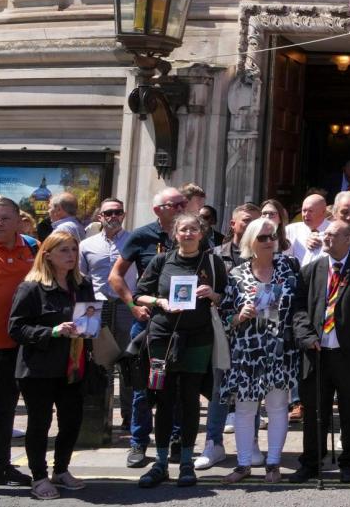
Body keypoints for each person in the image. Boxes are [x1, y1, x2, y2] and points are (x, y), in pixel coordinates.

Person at [132, 213, 227, 489]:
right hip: (163, 338)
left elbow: (226, 298)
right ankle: (160, 463)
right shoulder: (161, 261)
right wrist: (160, 301)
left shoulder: (213, 262)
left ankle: (186, 462)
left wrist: (212, 294)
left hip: (198, 339)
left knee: (189, 399)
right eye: (183, 229)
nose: (188, 233)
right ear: (175, 234)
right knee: (163, 399)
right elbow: (139, 293)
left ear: (201, 233)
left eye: (193, 229)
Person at [289, 222, 350, 484]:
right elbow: (298, 308)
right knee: (314, 411)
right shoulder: (311, 270)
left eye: (332, 235)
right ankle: (311, 461)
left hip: (349, 355)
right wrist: (306, 337)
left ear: (348, 239)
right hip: (317, 354)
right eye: (325, 234)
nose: (326, 238)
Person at [7, 231, 91, 499]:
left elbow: (91, 317)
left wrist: (90, 327)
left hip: (73, 365)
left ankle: (61, 469)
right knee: (40, 423)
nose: (71, 256)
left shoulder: (82, 284)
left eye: (73, 250)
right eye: (64, 250)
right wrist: (51, 332)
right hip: (39, 367)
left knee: (71, 420)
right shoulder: (31, 287)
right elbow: (16, 328)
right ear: (48, 255)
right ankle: (39, 476)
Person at [107, 187, 186, 469]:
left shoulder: (192, 234)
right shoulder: (142, 236)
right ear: (159, 209)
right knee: (144, 386)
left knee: (176, 386)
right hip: (147, 322)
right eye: (176, 204)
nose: (182, 207)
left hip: (181, 324)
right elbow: (115, 276)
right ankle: (139, 443)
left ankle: (176, 440)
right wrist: (132, 305)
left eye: (184, 203)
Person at [217, 218, 300, 484]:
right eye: (263, 238)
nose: (269, 242)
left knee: (277, 408)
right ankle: (243, 465)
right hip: (246, 350)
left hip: (279, 349)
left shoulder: (288, 269)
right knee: (245, 409)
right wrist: (239, 317)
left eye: (272, 236)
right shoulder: (236, 275)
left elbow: (299, 307)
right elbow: (223, 317)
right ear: (250, 243)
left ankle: (273, 463)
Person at [195, 203, 261, 471]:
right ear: (232, 224)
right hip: (221, 330)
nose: (251, 226)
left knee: (252, 390)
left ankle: (252, 442)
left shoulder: (263, 255)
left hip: (254, 333)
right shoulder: (213, 256)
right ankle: (214, 443)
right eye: (246, 221)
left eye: (257, 221)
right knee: (219, 390)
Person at [78, 198, 136, 432]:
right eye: (108, 213)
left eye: (118, 212)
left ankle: (129, 417)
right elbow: (80, 278)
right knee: (94, 361)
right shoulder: (86, 245)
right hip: (93, 307)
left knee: (128, 361)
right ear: (100, 217)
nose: (113, 216)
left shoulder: (134, 242)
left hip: (125, 305)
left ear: (123, 215)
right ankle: (95, 416)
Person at [284, 194, 330, 265]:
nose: (306, 214)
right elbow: (284, 256)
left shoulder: (333, 230)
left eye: (310, 211)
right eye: (304, 210)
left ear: (323, 212)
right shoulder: (290, 229)